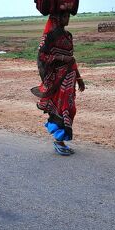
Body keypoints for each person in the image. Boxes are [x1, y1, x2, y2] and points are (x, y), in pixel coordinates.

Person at [32, 9, 85, 156]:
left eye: (68, 16)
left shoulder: (68, 36)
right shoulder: (50, 37)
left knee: (70, 108)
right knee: (64, 108)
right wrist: (62, 58)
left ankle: (60, 140)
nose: (67, 19)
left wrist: (79, 79)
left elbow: (71, 59)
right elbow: (42, 56)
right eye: (65, 16)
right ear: (57, 18)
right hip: (57, 80)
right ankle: (59, 141)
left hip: (70, 78)